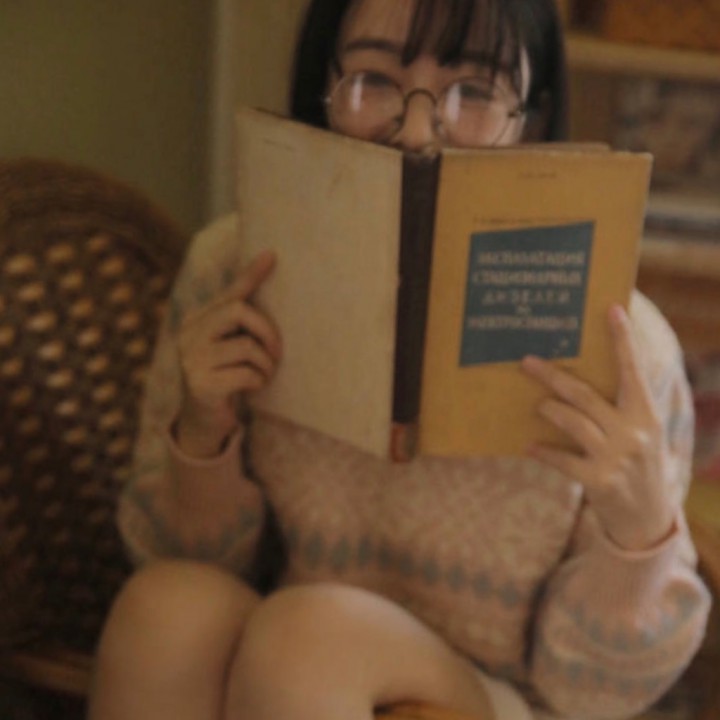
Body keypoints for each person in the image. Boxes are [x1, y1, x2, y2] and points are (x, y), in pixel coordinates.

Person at [88, 0, 711, 719]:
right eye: (373, 81)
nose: (416, 131)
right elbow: (174, 556)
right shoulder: (230, 272)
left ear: (533, 118)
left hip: (487, 694)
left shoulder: (621, 342)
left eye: (474, 92)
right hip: (275, 664)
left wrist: (639, 536)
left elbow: (593, 696)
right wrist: (203, 438)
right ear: (321, 89)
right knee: (164, 607)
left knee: (309, 640)